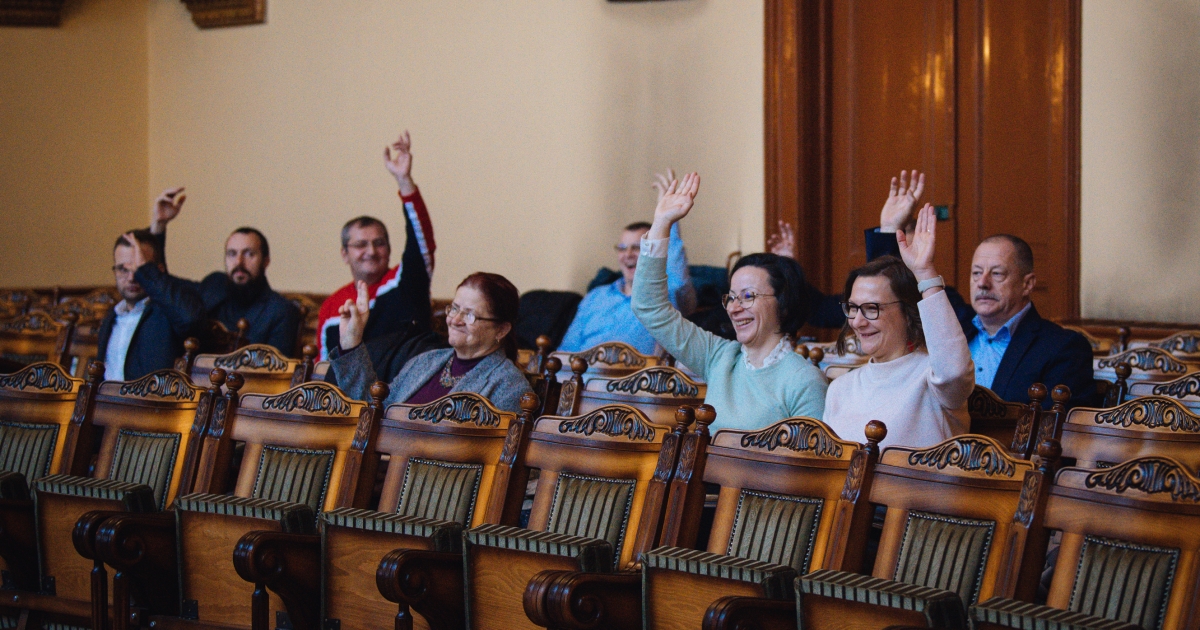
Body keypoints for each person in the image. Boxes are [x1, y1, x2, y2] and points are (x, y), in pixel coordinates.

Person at [861, 171, 1096, 408]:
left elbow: (1058, 430)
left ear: (1027, 284)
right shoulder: (952, 325)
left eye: (997, 273)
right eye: (976, 273)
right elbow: (894, 289)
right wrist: (890, 228)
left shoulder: (1063, 347)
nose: (983, 283)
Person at [632, 173, 827, 431]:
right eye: (732, 297)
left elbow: (806, 470)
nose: (734, 308)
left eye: (748, 296)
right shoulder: (720, 357)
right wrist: (661, 224)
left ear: (783, 303)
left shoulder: (805, 381)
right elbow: (649, 308)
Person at [823, 204, 974, 448]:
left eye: (872, 308)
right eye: (852, 308)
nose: (858, 322)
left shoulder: (932, 377)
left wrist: (925, 273)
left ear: (907, 312)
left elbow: (955, 372)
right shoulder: (840, 389)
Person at [330, 272, 531, 413]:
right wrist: (352, 341)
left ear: (502, 329)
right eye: (454, 308)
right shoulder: (424, 363)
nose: (454, 320)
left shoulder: (510, 387)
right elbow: (371, 412)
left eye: (469, 315)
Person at [316, 130, 436, 361]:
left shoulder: (406, 282)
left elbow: (421, 240)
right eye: (361, 244)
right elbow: (321, 368)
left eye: (379, 243)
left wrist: (404, 181)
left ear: (389, 249)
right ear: (344, 254)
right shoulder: (331, 306)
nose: (371, 251)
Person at [147, 188, 302, 355]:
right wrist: (158, 227)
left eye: (249, 254)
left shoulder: (281, 312)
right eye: (232, 254)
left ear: (266, 260)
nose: (239, 262)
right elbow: (166, 288)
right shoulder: (214, 286)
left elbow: (275, 377)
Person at [558, 170, 697, 355]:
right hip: (581, 380)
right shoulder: (595, 297)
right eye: (622, 248)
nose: (628, 254)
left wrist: (666, 221)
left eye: (637, 247)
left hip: (634, 382)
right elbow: (564, 353)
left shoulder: (665, 296)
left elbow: (679, 280)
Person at [97, 230, 206, 381]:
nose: (131, 278)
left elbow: (190, 319)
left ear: (157, 271)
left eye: (138, 269)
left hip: (148, 403)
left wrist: (148, 273)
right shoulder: (111, 316)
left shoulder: (168, 313)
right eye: (123, 269)